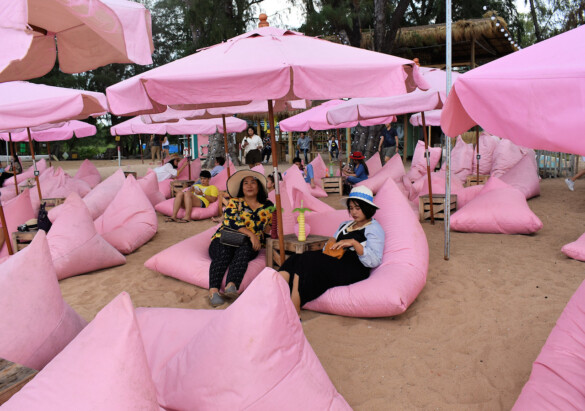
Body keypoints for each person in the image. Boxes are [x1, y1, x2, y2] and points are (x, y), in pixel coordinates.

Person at [278, 186, 384, 316]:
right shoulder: (345, 225)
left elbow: (374, 260)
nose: (354, 212)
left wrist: (354, 243)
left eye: (358, 208)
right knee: (298, 257)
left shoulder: (374, 228)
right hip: (334, 259)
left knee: (307, 259)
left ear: (367, 208)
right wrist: (331, 243)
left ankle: (294, 305)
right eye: (351, 208)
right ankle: (276, 290)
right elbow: (329, 245)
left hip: (354, 266)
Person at [208, 170, 273, 306]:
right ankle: (213, 291)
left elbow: (269, 227)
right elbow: (232, 221)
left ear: (259, 186)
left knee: (245, 249)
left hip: (248, 245)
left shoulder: (268, 206)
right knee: (224, 251)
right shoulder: (234, 202)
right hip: (225, 239)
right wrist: (252, 235)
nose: (249, 186)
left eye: (253, 183)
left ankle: (231, 286)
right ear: (241, 187)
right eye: (245, 183)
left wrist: (266, 242)